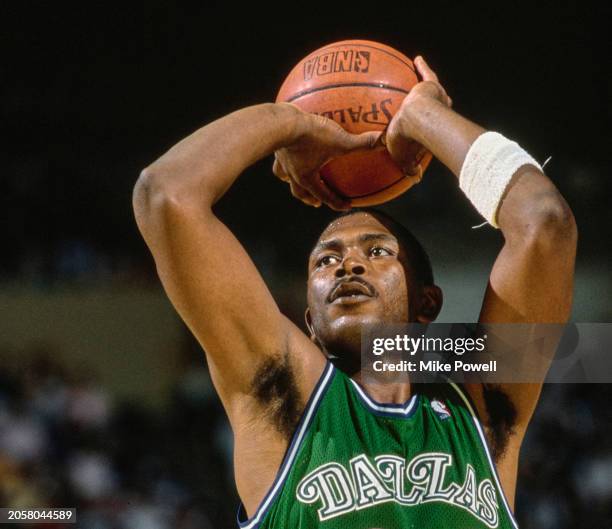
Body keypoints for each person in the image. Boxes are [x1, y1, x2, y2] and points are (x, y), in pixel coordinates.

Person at [133, 56, 577, 528]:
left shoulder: (483, 404)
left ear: (428, 302)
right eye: (324, 260)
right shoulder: (285, 397)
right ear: (308, 322)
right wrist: (290, 123)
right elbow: (165, 193)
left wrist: (422, 116)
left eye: (379, 251)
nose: (348, 263)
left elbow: (545, 224)